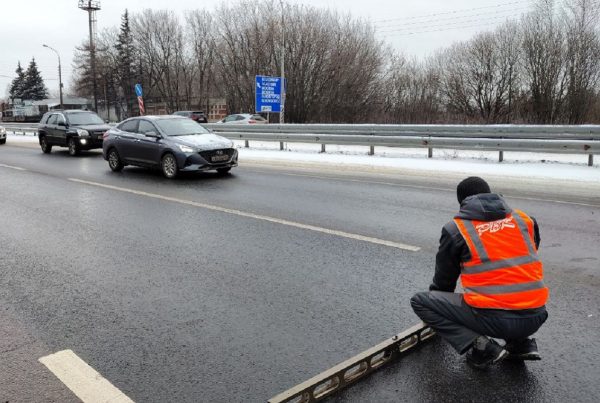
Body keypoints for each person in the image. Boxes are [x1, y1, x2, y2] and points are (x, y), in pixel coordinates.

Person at [411, 177, 549, 369]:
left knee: (420, 301)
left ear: (463, 203)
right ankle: (521, 343)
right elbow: (525, 259)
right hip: (537, 315)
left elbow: (445, 281)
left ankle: (482, 347)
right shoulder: (525, 220)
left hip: (495, 320)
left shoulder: (457, 229)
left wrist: (440, 308)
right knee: (508, 294)